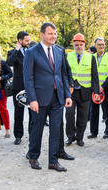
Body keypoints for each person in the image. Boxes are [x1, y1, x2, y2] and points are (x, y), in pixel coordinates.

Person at [23, 22, 72, 172]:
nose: (54, 36)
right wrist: (32, 99)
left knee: (56, 130)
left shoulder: (59, 51)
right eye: (50, 33)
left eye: (55, 34)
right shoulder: (32, 52)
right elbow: (28, 78)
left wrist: (67, 95)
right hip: (39, 99)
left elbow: (63, 74)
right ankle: (33, 156)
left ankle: (53, 161)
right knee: (37, 129)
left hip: (57, 98)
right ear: (42, 34)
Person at [65, 33, 99, 145]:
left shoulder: (91, 57)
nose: (79, 46)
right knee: (69, 114)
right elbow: (64, 74)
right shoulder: (67, 56)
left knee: (83, 116)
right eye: (77, 44)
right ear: (73, 45)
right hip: (71, 91)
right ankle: (70, 136)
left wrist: (96, 91)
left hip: (85, 91)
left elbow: (95, 76)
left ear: (84, 45)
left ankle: (80, 137)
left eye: (81, 44)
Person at [6, 31, 31, 145]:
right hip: (18, 86)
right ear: (20, 41)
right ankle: (18, 136)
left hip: (31, 86)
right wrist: (16, 50)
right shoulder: (12, 52)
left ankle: (33, 134)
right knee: (18, 112)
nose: (28, 42)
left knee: (33, 112)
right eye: (26, 40)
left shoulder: (32, 51)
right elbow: (9, 63)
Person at [89, 37, 108, 139]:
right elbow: (89, 73)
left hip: (107, 88)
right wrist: (95, 87)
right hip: (94, 88)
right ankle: (93, 132)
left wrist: (103, 86)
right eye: (99, 44)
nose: (101, 46)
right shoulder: (91, 57)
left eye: (103, 45)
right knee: (93, 111)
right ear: (95, 46)